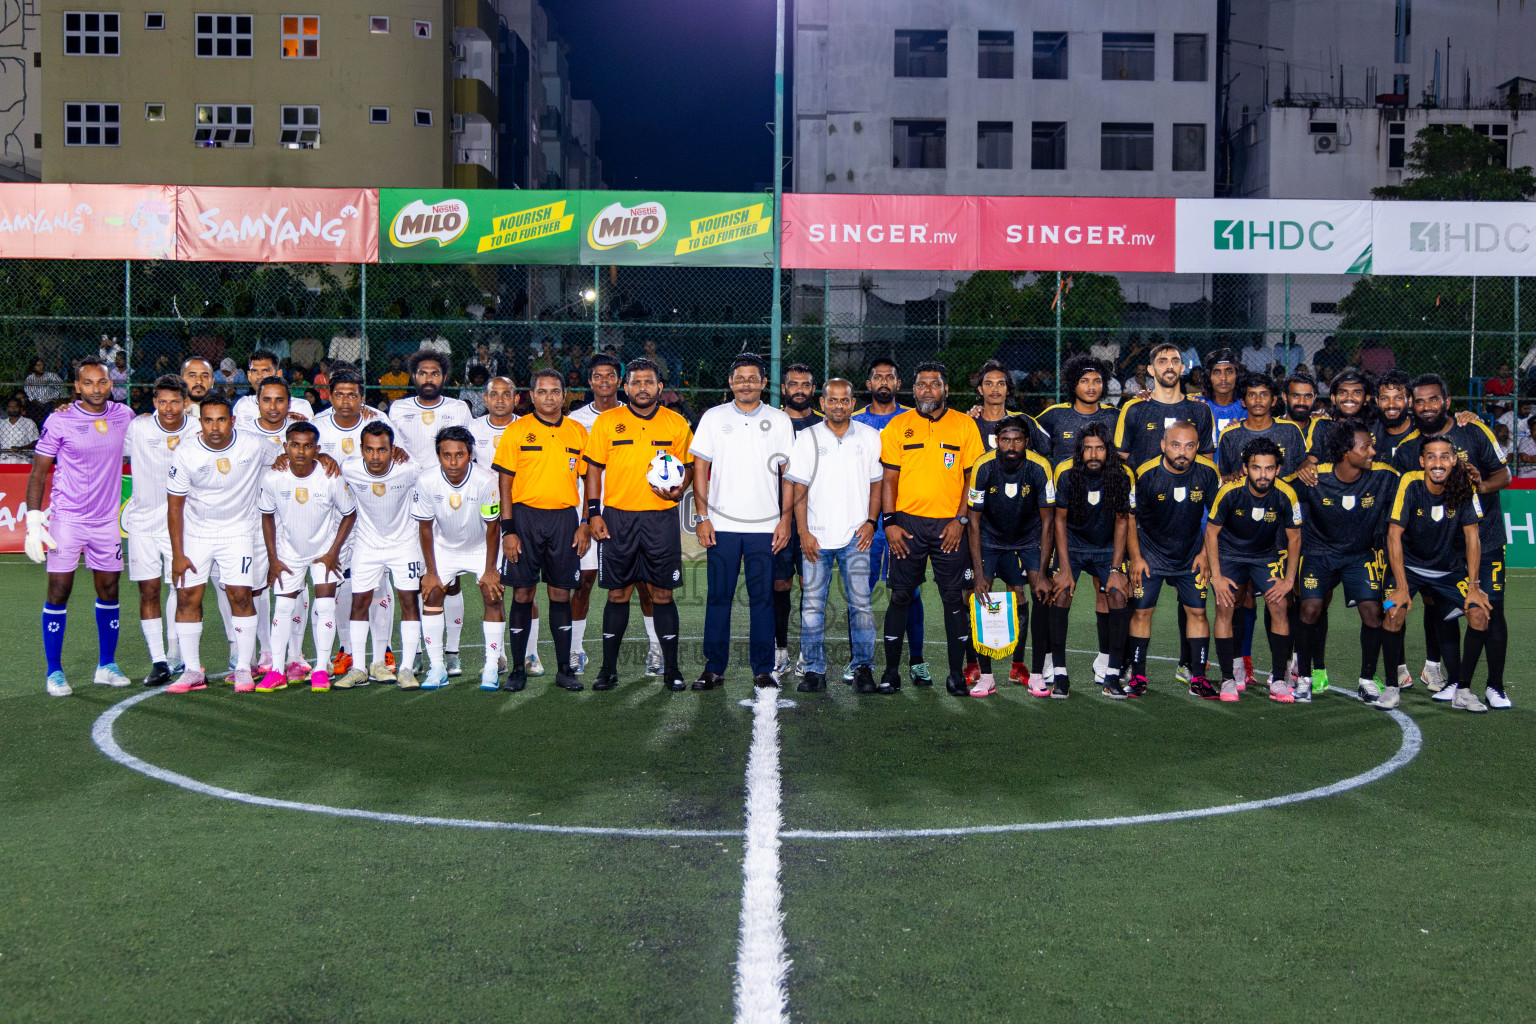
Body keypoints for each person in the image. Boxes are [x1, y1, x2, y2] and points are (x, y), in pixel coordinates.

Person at [1391, 375, 1511, 707]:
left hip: (1484, 541)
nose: (1426, 406)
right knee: (1446, 613)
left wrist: (1481, 486)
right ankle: (1457, 683)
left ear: (1447, 401)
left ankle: (1496, 686)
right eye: (1419, 401)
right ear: (1412, 406)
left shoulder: (1473, 430)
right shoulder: (1409, 450)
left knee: (1491, 608)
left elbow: (1505, 474)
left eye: (1433, 399)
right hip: (1444, 549)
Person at [24, 357, 137, 696]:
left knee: (110, 591)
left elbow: (155, 433)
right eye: (88, 383)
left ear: (111, 384)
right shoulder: (59, 420)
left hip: (106, 522)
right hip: (68, 520)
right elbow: (39, 472)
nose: (96, 389)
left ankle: (106, 665)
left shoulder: (124, 416)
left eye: (102, 382)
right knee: (59, 590)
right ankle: (54, 671)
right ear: (76, 387)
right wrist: (32, 521)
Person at [583, 358, 694, 691]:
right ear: (625, 387)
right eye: (636, 382)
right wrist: (593, 512)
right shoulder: (607, 422)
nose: (642, 388)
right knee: (617, 595)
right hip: (617, 518)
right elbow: (592, 469)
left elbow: (689, 468)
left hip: (660, 518)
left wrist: (680, 489)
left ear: (659, 388)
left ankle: (671, 669)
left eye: (649, 382)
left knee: (662, 595)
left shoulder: (676, 424)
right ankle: (608, 670)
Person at [877, 362, 984, 696]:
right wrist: (890, 522)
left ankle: (955, 675)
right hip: (906, 524)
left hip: (949, 525)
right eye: (921, 384)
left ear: (946, 390)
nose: (927, 390)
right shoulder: (898, 425)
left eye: (934, 384)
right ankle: (891, 672)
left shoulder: (965, 426)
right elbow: (889, 479)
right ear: (913, 389)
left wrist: (961, 520)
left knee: (954, 598)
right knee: (901, 595)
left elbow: (972, 479)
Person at [691, 355, 795, 690]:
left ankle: (763, 667)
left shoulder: (779, 421)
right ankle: (714, 667)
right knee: (718, 596)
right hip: (721, 525)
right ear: (731, 382)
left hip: (765, 527)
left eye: (753, 378)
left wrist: (785, 521)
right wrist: (703, 517)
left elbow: (788, 475)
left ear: (764, 383)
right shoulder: (713, 417)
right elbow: (700, 470)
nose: (746, 383)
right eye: (740, 377)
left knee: (762, 598)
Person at [1376, 435, 1493, 712]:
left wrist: (1475, 585)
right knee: (1393, 611)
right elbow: (1393, 536)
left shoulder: (1464, 485)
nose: (1437, 463)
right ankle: (1392, 686)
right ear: (1422, 461)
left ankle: (1463, 690)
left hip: (1447, 569)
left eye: (1444, 457)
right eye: (1431, 457)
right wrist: (1401, 586)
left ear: (1454, 460)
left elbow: (1472, 536)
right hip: (1408, 567)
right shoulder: (1410, 482)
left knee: (1479, 613)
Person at [162, 391, 267, 694]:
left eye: (222, 420)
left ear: (232, 421)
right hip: (198, 534)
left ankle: (244, 668)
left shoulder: (251, 443)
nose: (215, 427)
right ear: (200, 422)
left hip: (238, 532)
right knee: (187, 598)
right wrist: (178, 554)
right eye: (208, 420)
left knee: (241, 598)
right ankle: (193, 670)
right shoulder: (186, 452)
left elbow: (286, 452)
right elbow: (174, 506)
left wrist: (324, 456)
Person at [567, 354, 663, 676]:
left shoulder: (633, 414)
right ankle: (576, 650)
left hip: (627, 513)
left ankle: (655, 650)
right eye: (598, 376)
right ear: (590, 381)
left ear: (619, 382)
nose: (604, 381)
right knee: (584, 581)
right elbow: (578, 472)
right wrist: (584, 517)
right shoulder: (576, 420)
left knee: (643, 584)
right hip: (590, 514)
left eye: (611, 376)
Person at [494, 372, 588, 693]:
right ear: (531, 396)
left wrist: (586, 522)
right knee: (522, 593)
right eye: (542, 392)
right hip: (524, 519)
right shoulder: (516, 431)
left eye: (555, 392)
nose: (549, 397)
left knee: (560, 593)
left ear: (565, 396)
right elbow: (504, 483)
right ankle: (518, 670)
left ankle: (564, 670)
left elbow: (591, 482)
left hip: (565, 519)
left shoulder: (578, 433)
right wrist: (508, 530)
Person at [1292, 419, 1399, 702]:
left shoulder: (1385, 476)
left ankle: (1366, 679)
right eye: (1366, 447)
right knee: (1310, 609)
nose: (1373, 452)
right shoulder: (1314, 476)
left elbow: (1416, 490)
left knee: (1374, 611)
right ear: (1344, 452)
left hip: (1359, 555)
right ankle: (1304, 677)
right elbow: (1282, 497)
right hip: (1317, 553)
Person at [787, 378, 881, 693]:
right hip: (817, 537)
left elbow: (876, 483)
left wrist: (871, 522)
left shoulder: (870, 437)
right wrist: (803, 532)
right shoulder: (806, 437)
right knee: (813, 605)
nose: (838, 405)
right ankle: (814, 670)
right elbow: (798, 488)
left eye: (844, 400)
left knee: (861, 605)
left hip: (857, 537)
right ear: (822, 403)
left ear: (853, 403)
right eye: (832, 400)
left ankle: (863, 668)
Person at [258, 422, 357, 693]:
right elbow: (267, 517)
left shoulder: (330, 477)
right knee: (283, 609)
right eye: (295, 445)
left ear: (317, 448)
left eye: (308, 446)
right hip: (288, 553)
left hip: (324, 553)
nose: (301, 451)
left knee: (325, 607)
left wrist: (333, 551)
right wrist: (273, 559)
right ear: (286, 446)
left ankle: (321, 670)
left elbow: (349, 513)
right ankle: (277, 670)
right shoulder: (274, 478)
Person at [1125, 422, 1221, 699]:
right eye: (1176, 445)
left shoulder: (1207, 471)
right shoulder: (1145, 474)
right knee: (1142, 612)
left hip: (1191, 555)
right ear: (1163, 445)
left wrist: (1204, 554)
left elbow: (1215, 519)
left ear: (1197, 448)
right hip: (1150, 554)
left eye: (1190, 446)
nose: (1183, 452)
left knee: (1198, 613)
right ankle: (1138, 675)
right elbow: (1130, 517)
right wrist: (1136, 558)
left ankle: (1198, 678)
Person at [311, 369, 396, 678]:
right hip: (331, 520)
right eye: (339, 394)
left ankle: (383, 652)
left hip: (373, 518)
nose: (345, 401)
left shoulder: (380, 423)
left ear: (362, 397)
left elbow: (397, 461)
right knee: (337, 586)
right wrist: (317, 459)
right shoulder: (317, 427)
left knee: (377, 586)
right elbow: (299, 461)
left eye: (352, 394)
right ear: (329, 396)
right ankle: (346, 650)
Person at [408, 425, 505, 691]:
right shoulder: (426, 481)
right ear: (438, 455)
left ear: (470, 454)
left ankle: (491, 666)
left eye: (459, 455)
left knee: (492, 593)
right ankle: (437, 667)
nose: (453, 462)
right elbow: (425, 528)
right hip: (444, 546)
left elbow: (493, 526)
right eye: (446, 455)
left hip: (480, 547)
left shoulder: (485, 480)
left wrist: (489, 570)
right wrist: (431, 571)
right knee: (431, 594)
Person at [1205, 438, 1302, 702]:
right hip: (1229, 554)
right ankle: (1228, 677)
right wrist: (1217, 577)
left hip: (1264, 556)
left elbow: (1295, 539)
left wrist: (1288, 580)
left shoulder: (1286, 494)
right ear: (1246, 468)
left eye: (1269, 468)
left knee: (1280, 605)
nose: (1263, 474)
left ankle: (1279, 679)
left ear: (1278, 469)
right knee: (1225, 605)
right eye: (1256, 468)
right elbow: (1211, 533)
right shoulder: (1229, 492)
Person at [964, 417, 1055, 697]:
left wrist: (1041, 572)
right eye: (1005, 439)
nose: (1011, 445)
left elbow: (1049, 521)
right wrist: (979, 574)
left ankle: (1035, 673)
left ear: (1026, 442)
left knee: (1041, 595)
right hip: (990, 536)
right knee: (980, 594)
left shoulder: (1040, 467)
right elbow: (974, 521)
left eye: (1017, 440)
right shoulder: (983, 465)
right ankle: (986, 676)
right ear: (997, 441)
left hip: (1029, 537)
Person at [853, 358, 929, 684]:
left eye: (890, 377)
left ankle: (917, 661)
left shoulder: (917, 418)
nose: (884, 382)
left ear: (899, 384)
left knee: (908, 593)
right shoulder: (853, 421)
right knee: (861, 593)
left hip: (904, 521)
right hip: (867, 521)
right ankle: (861, 662)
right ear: (868, 384)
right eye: (877, 377)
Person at [123, 374, 201, 686]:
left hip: (183, 524)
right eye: (162, 402)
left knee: (184, 591)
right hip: (142, 524)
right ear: (154, 403)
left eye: (175, 402)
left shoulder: (196, 429)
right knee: (149, 591)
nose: (169, 408)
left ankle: (181, 655)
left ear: (186, 403)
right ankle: (159, 661)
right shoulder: (139, 427)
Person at [336, 422, 426, 690]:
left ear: (392, 449)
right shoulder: (349, 469)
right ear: (361, 449)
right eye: (370, 450)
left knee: (409, 602)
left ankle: (407, 668)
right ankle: (359, 669)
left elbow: (432, 486)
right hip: (367, 545)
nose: (375, 457)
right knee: (359, 602)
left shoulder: (409, 469)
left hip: (404, 544)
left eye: (382, 450)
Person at [1050, 423, 1136, 698]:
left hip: (1106, 546)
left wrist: (1115, 568)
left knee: (1118, 595)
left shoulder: (1122, 475)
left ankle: (1112, 676)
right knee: (1060, 594)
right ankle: (1060, 675)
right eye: (1088, 448)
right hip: (1072, 545)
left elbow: (1123, 521)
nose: (1093, 454)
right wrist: (1064, 569)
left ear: (1108, 450)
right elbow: (1059, 523)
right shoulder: (1065, 473)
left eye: (1099, 448)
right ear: (1080, 450)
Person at [774, 363, 822, 678]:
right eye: (794, 384)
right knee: (780, 583)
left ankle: (807, 651)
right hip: (777, 518)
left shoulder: (824, 424)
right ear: (783, 389)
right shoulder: (772, 423)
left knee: (810, 585)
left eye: (806, 384)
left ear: (813, 389)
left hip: (815, 518)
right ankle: (780, 650)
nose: (800, 390)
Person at [1114, 342, 1217, 466]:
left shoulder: (1201, 409)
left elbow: (1207, 459)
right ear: (1151, 370)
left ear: (1182, 368)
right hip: (1143, 484)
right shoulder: (1133, 408)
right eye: (1162, 362)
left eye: (1175, 361)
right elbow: (1121, 457)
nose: (1170, 366)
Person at [1217, 373, 1307, 481]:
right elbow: (1223, 476)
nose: (1258, 400)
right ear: (1243, 402)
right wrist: (1231, 477)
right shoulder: (1229, 435)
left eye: (1264, 395)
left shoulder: (1290, 430)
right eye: (1251, 395)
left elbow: (1303, 466)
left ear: (1273, 400)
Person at [1035, 356, 1120, 463]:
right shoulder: (1055, 414)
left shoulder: (1114, 416)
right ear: (1073, 384)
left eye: (1097, 381)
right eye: (1084, 381)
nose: (1091, 387)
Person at [234, 350, 313, 427]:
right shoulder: (243, 404)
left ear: (278, 374)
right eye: (254, 371)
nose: (259, 376)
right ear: (249, 375)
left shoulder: (300, 406)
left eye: (265, 371)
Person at [1201, 348, 1246, 437]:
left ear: (1237, 375)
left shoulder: (1247, 407)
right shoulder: (1199, 405)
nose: (1223, 378)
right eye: (1217, 372)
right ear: (1209, 376)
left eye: (1229, 372)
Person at [0, 393, 39, 464]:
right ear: (7, 408)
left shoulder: (29, 423)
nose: (13, 409)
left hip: (22, 458)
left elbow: (35, 442)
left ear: (21, 408)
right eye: (11, 407)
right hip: (3, 459)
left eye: (16, 407)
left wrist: (21, 448)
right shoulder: (1, 424)